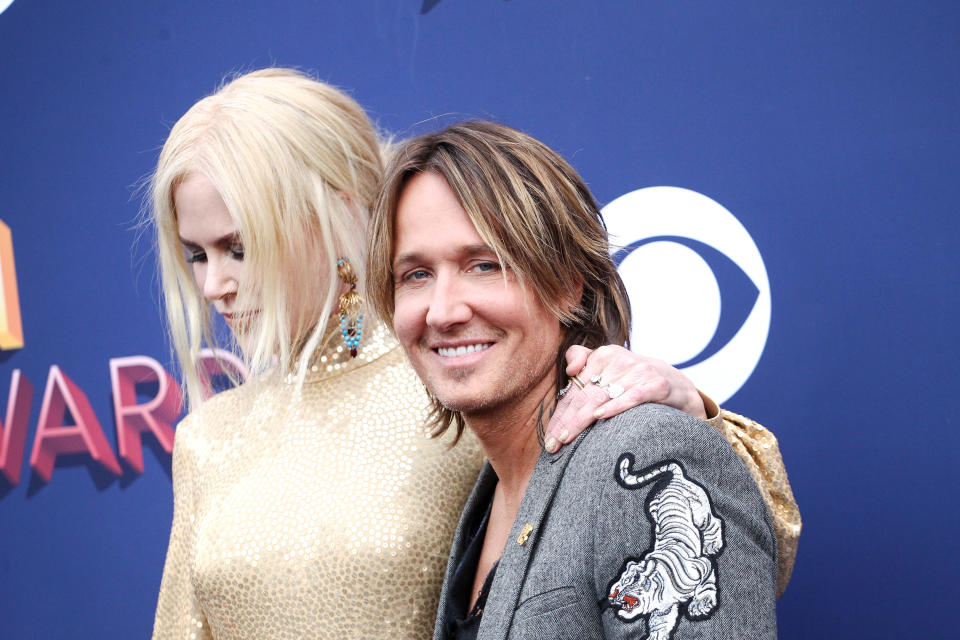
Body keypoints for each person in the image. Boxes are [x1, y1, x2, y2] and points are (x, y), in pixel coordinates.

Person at [148, 69, 797, 639]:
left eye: (239, 246)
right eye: (195, 255)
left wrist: (693, 413)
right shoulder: (210, 440)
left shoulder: (455, 378)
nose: (214, 285)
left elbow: (727, 552)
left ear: (332, 211)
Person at [367, 121, 779, 639]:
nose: (443, 311)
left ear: (565, 285)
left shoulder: (645, 453)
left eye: (484, 265)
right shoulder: (488, 494)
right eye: (416, 275)